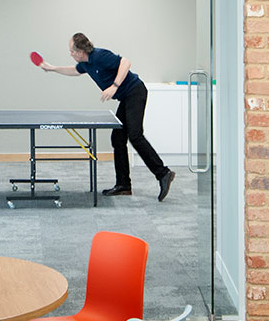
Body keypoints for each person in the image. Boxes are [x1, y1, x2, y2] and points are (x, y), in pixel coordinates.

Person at [39, 32, 173, 201]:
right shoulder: (85, 64)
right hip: (126, 97)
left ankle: (163, 173)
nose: (70, 54)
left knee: (135, 135)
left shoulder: (99, 55)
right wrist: (52, 68)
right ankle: (124, 185)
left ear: (80, 51)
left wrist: (114, 86)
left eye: (72, 51)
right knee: (118, 138)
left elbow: (126, 62)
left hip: (135, 92)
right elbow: (74, 70)